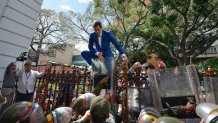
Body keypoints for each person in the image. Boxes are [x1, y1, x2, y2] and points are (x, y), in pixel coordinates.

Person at [81, 21, 128, 92]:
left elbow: (116, 43)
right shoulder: (92, 35)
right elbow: (90, 47)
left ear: (101, 28)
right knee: (83, 53)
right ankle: (94, 65)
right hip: (98, 55)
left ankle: (113, 89)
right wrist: (98, 54)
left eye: (98, 29)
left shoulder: (108, 34)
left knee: (109, 72)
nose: (97, 31)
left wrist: (123, 54)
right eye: (95, 30)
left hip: (108, 55)